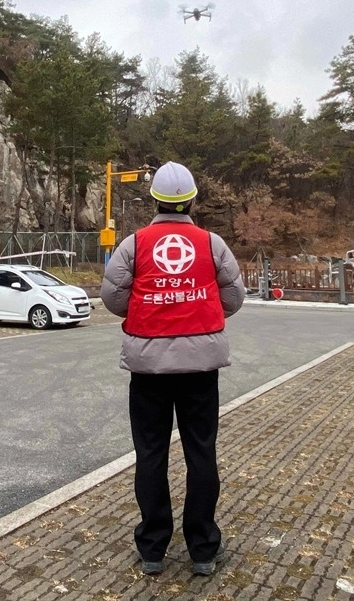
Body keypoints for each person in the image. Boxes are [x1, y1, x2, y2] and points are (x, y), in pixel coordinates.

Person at [101, 161, 247, 577]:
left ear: (155, 200)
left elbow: (113, 298)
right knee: (201, 452)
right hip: (201, 370)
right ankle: (203, 549)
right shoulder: (212, 244)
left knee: (151, 454)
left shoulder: (133, 244)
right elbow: (233, 298)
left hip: (148, 370)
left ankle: (152, 547)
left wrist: (150, 308)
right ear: (192, 200)